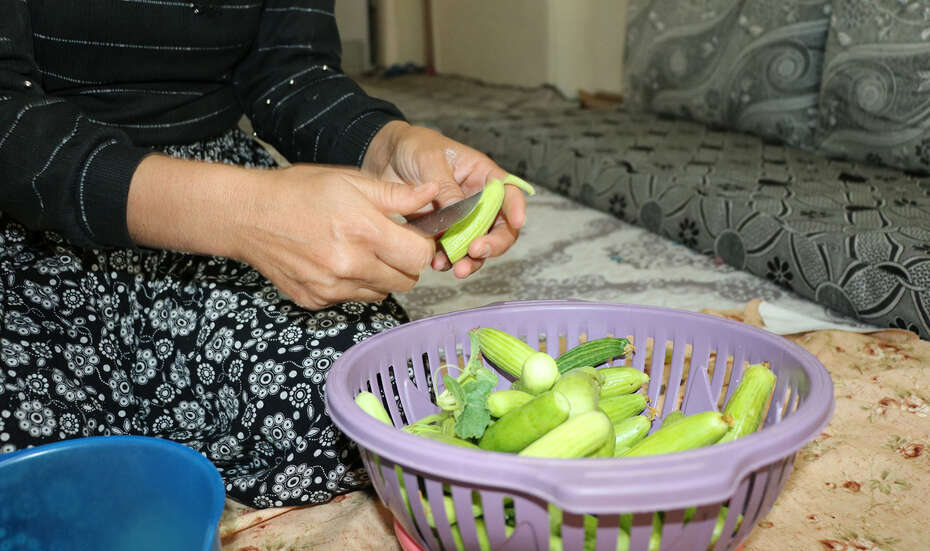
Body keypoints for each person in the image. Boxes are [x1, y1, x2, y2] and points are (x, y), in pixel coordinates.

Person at [0, 0, 525, 508]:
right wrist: (244, 213)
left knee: (374, 406)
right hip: (30, 209)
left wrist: (388, 144)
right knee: (31, 484)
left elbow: (290, 71)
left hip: (217, 199)